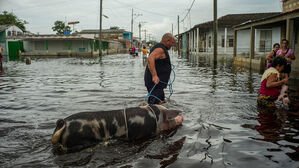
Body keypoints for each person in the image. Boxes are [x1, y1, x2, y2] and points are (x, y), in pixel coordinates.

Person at [144, 33, 175, 104]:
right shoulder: (160, 49)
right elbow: (150, 58)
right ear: (167, 41)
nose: (173, 45)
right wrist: (154, 75)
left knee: (162, 103)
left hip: (158, 84)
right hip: (155, 83)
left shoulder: (159, 48)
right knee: (156, 106)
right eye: (172, 42)